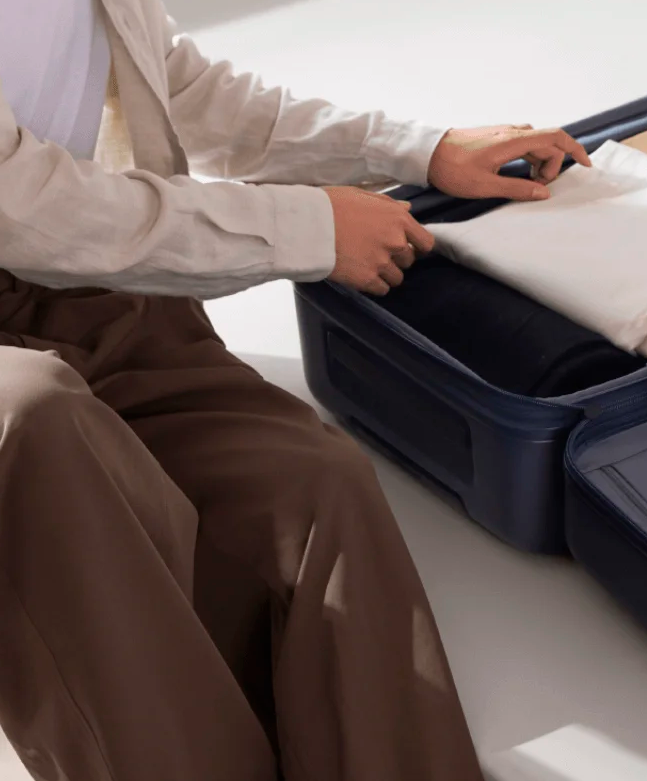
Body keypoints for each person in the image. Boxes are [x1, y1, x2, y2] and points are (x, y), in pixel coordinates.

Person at [0, 1, 592, 779]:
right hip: (44, 281)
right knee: (38, 426)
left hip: (86, 285)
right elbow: (26, 207)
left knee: (314, 482)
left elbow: (182, 87)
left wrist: (422, 149)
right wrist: (308, 228)